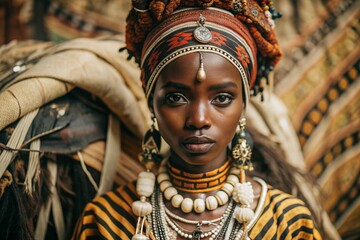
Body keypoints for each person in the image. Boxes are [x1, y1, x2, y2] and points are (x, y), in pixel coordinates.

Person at [73, 1, 322, 239]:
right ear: (152, 104)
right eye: (175, 98)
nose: (198, 119)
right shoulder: (105, 220)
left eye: (222, 98)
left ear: (243, 106)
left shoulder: (287, 222)